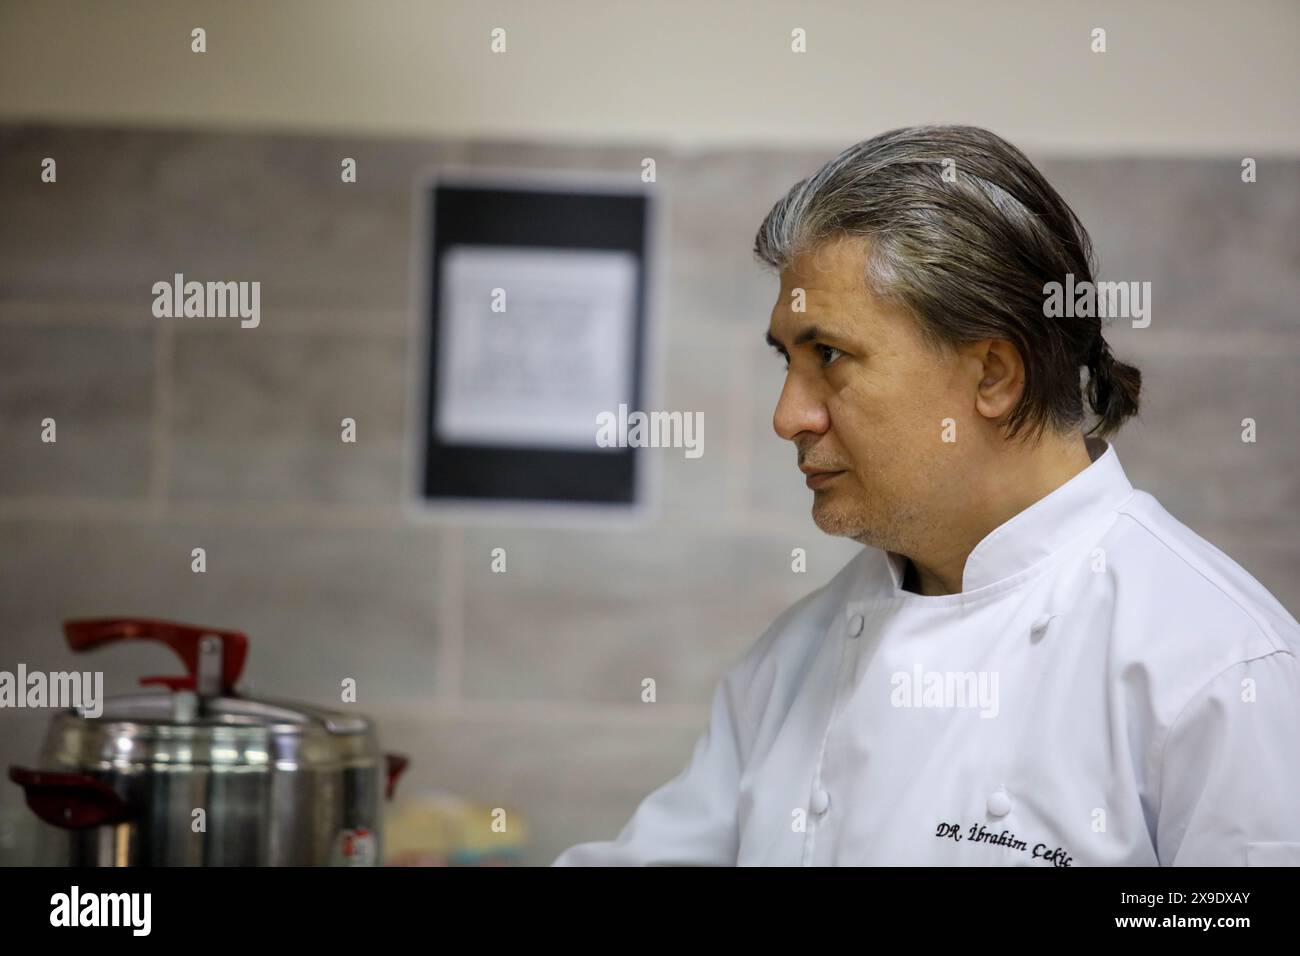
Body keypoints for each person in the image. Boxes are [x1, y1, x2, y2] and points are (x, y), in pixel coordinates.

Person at [553, 125, 1300, 866]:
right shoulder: (793, 661)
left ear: (993, 376)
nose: (788, 417)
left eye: (830, 356)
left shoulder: (1219, 670)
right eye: (788, 360)